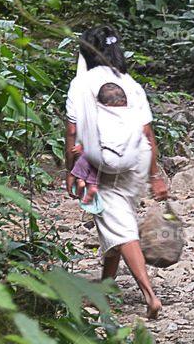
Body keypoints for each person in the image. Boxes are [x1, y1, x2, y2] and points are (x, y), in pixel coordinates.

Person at [64, 27, 168, 320]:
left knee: (120, 228)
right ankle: (107, 287)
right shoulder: (130, 83)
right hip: (136, 160)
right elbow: (148, 133)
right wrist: (154, 175)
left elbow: (72, 130)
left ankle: (150, 295)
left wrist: (71, 169)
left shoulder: (81, 84)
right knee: (115, 220)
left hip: (104, 165)